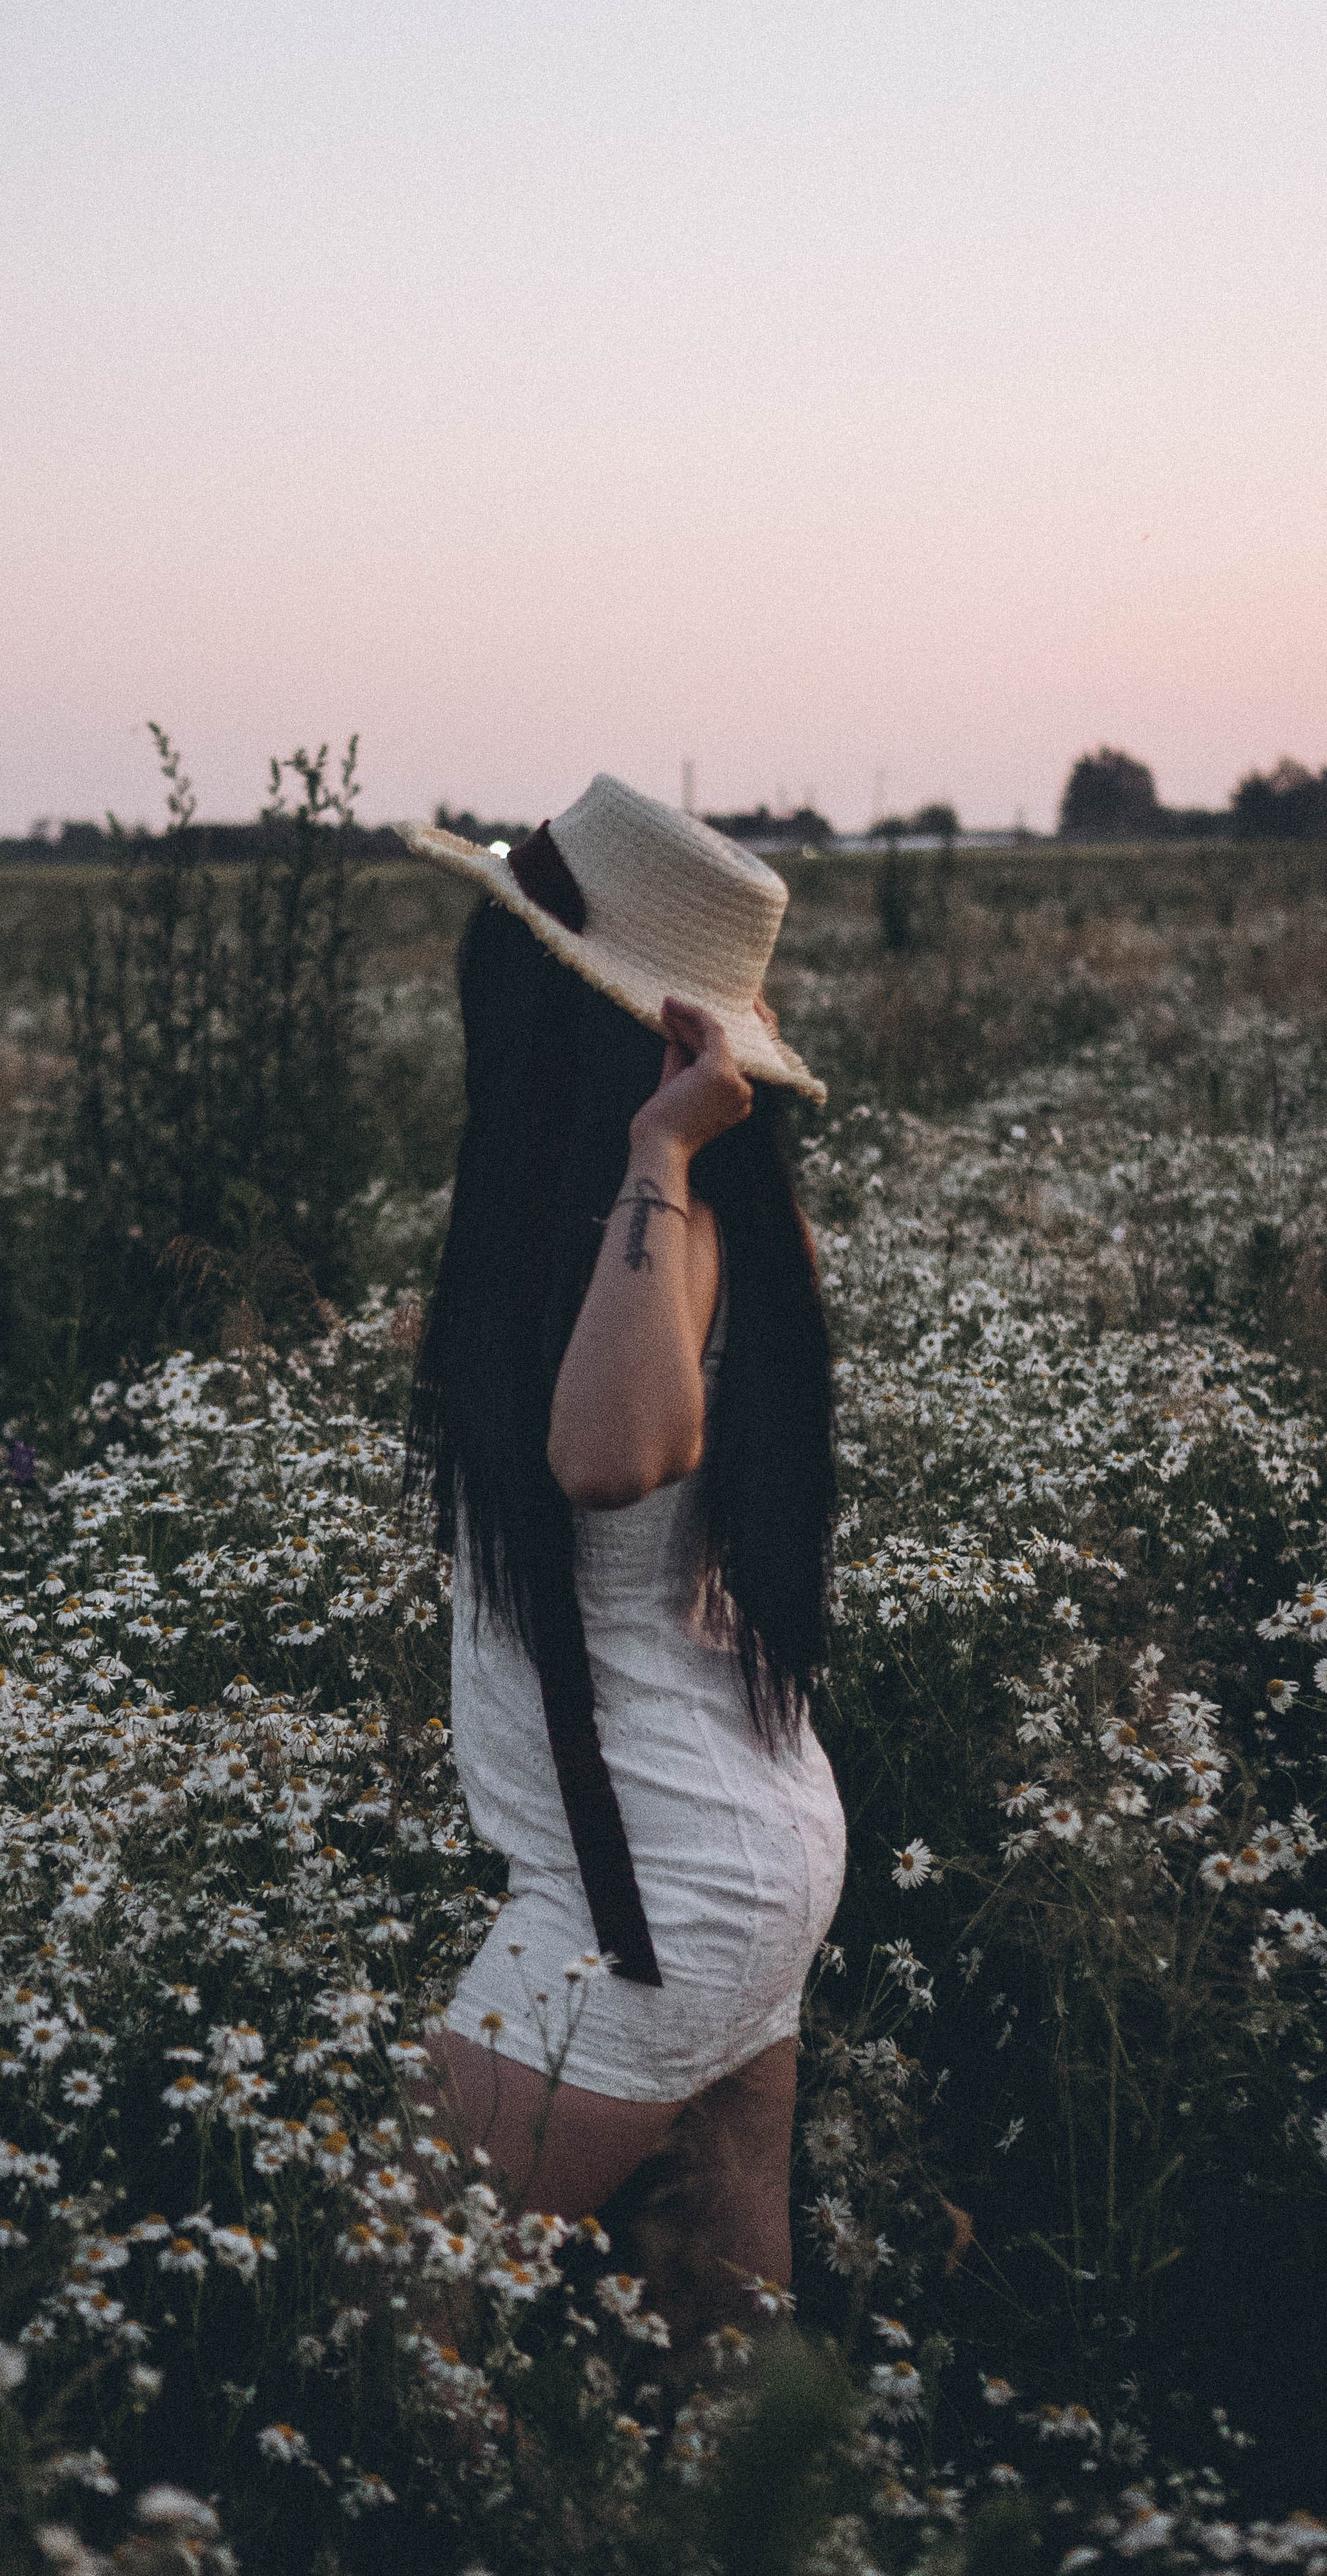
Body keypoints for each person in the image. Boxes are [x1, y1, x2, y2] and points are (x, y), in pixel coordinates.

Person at [399, 774, 845, 2332]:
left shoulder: (675, 1216)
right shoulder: (645, 1221)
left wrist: (658, 1144)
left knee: (383, 2314)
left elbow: (607, 1458)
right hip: (728, 1849)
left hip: (645, 1897)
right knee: (715, 2354)